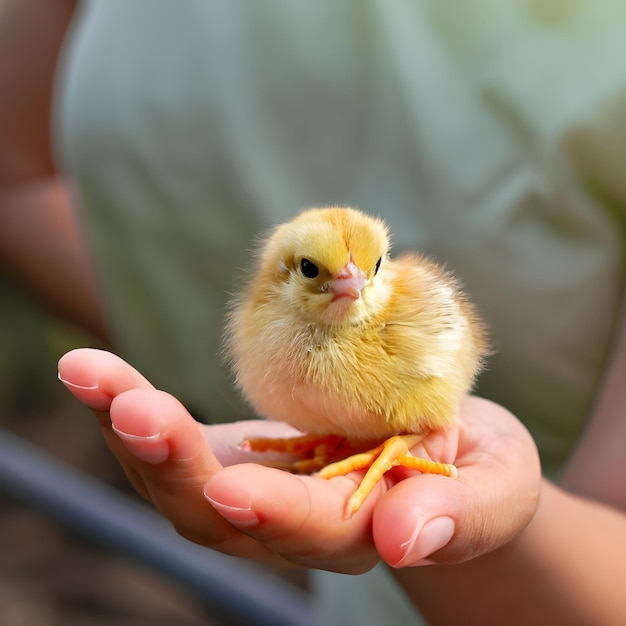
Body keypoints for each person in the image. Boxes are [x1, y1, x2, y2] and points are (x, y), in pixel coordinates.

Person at [3, 0, 626, 623]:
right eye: (315, 274)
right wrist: (186, 384)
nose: (351, 287)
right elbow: (13, 170)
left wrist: (491, 522)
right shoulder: (267, 329)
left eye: (366, 274)